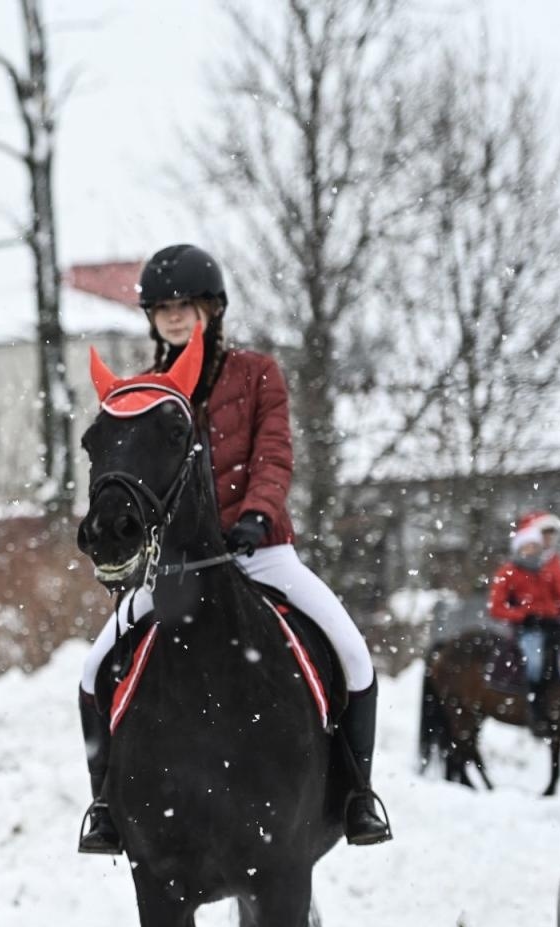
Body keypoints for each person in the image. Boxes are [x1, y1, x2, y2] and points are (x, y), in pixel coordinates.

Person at [77, 244, 391, 854]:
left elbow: (275, 453)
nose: (173, 316)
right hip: (174, 569)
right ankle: (107, 805)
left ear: (212, 309)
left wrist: (255, 515)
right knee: (93, 674)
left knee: (354, 657)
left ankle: (356, 795)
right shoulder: (142, 390)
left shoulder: (257, 372)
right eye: (162, 307)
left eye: (186, 304)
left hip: (261, 550)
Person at [489, 514, 560, 732]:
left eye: (534, 546)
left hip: (552, 625)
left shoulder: (545, 569)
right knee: (535, 661)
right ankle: (534, 705)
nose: (532, 549)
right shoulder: (509, 571)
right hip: (529, 628)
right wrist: (523, 615)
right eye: (527, 546)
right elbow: (497, 607)